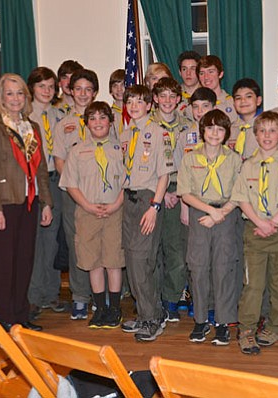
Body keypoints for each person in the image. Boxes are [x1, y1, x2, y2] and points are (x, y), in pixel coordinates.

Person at [0, 73, 53, 331]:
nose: (15, 98)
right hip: (5, 204)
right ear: (1, 97)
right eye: (9, 93)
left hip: (29, 202)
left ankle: (20, 314)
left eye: (19, 92)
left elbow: (40, 169)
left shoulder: (32, 127)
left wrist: (47, 203)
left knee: (24, 260)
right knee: (5, 263)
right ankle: (4, 316)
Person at [231, 111, 278, 355]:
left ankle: (276, 326)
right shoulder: (248, 165)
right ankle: (247, 330)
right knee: (253, 283)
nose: (267, 135)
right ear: (255, 134)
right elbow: (242, 199)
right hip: (254, 229)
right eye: (262, 131)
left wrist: (272, 222)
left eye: (273, 130)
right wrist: (260, 223)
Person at [177, 109, 241, 346]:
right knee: (198, 267)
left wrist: (219, 213)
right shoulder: (190, 158)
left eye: (220, 129)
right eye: (210, 128)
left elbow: (239, 193)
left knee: (223, 268)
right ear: (202, 130)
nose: (215, 133)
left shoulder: (233, 159)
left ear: (226, 133)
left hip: (226, 215)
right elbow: (184, 192)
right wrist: (209, 211)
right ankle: (201, 319)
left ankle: (223, 322)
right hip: (199, 214)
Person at [59, 102, 125, 329]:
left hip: (114, 211)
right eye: (93, 118)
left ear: (110, 121)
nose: (98, 122)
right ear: (86, 123)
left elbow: (127, 182)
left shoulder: (121, 148)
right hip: (87, 211)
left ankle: (115, 308)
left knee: (113, 260)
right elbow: (70, 184)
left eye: (103, 117)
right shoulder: (77, 151)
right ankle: (100, 307)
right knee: (93, 260)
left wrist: (117, 203)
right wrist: (87, 205)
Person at [119, 84, 175, 342]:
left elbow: (164, 174)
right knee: (132, 261)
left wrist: (155, 206)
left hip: (147, 200)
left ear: (149, 105)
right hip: (129, 200)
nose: (133, 106)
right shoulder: (126, 133)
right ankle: (146, 313)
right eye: (129, 101)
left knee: (143, 261)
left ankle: (152, 317)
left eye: (139, 102)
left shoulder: (158, 133)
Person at [53, 69, 101, 320]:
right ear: (70, 91)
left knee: (99, 244)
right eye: (78, 89)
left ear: (95, 93)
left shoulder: (106, 120)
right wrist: (74, 187)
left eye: (88, 89)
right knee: (76, 245)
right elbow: (59, 159)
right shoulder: (64, 123)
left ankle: (99, 296)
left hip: (101, 194)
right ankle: (80, 296)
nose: (83, 94)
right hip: (73, 193)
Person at [26, 66, 68, 317]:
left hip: (56, 180)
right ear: (32, 88)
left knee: (52, 240)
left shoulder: (59, 115)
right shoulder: (25, 117)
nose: (47, 91)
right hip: (33, 183)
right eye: (41, 86)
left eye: (51, 87)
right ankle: (33, 295)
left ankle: (51, 294)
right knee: (34, 241)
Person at [151, 77, 192, 322]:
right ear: (154, 98)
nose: (167, 101)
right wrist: (161, 191)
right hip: (152, 191)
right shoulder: (146, 126)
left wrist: (177, 192)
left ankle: (172, 299)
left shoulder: (189, 128)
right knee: (152, 251)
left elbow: (191, 163)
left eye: (172, 96)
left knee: (176, 250)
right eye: (162, 96)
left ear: (178, 100)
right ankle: (152, 299)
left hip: (179, 190)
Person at [229, 78, 263, 159]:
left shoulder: (267, 126)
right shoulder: (231, 129)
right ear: (233, 103)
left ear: (258, 100)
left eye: (248, 96)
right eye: (238, 98)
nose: (243, 101)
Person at [197, 55, 238, 123]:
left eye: (211, 72)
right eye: (202, 73)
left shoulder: (233, 103)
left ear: (220, 74)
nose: (206, 77)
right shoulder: (192, 106)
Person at [176, 50, 202, 118]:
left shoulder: (208, 93)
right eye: (184, 69)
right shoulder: (173, 95)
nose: (188, 73)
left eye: (193, 69)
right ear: (180, 72)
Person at [109, 69, 126, 137]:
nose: (119, 89)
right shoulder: (108, 114)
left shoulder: (136, 113)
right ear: (110, 90)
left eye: (123, 85)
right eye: (115, 86)